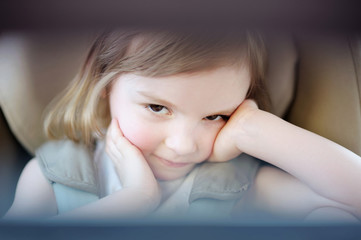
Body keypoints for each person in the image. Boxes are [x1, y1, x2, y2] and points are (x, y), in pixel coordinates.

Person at [4, 29, 361, 223]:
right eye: (157, 107)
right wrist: (134, 201)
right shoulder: (52, 177)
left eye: (214, 116)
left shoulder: (238, 184)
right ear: (106, 86)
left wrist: (254, 129)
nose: (184, 145)